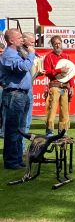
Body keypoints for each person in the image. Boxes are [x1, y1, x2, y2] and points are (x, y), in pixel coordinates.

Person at [0, 29, 35, 169]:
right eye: (19, 37)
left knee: (21, 129)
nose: (22, 39)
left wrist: (29, 52)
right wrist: (31, 54)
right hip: (14, 94)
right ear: (11, 41)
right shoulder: (8, 55)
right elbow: (24, 66)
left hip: (23, 94)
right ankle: (10, 161)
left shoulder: (18, 52)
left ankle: (18, 158)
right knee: (12, 129)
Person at [18, 32, 44, 151]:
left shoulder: (30, 52)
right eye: (32, 42)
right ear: (24, 40)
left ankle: (22, 147)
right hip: (21, 89)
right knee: (22, 121)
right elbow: (25, 67)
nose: (34, 45)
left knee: (27, 120)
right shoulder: (20, 51)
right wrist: (31, 54)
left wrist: (38, 71)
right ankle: (20, 148)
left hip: (29, 87)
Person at [44, 35, 74, 136]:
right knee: (52, 108)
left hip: (65, 86)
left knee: (64, 109)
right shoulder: (49, 57)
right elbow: (47, 72)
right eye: (55, 44)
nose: (57, 45)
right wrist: (59, 70)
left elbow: (71, 73)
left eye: (59, 43)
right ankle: (49, 130)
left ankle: (63, 131)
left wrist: (72, 86)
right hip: (54, 85)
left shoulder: (67, 57)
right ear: (52, 45)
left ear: (61, 43)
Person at [0, 42, 6, 138]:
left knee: (4, 111)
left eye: (1, 51)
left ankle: (3, 131)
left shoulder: (6, 60)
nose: (0, 53)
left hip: (4, 87)